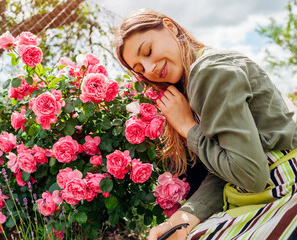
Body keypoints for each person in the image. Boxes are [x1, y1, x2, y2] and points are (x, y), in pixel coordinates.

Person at [114, 8, 297, 240]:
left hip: (280, 188)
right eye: (140, 69)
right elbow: (227, 168)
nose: (149, 68)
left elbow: (251, 175)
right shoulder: (198, 76)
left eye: (148, 51)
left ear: (170, 27)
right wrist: (182, 219)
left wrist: (188, 127)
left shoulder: (208, 71)